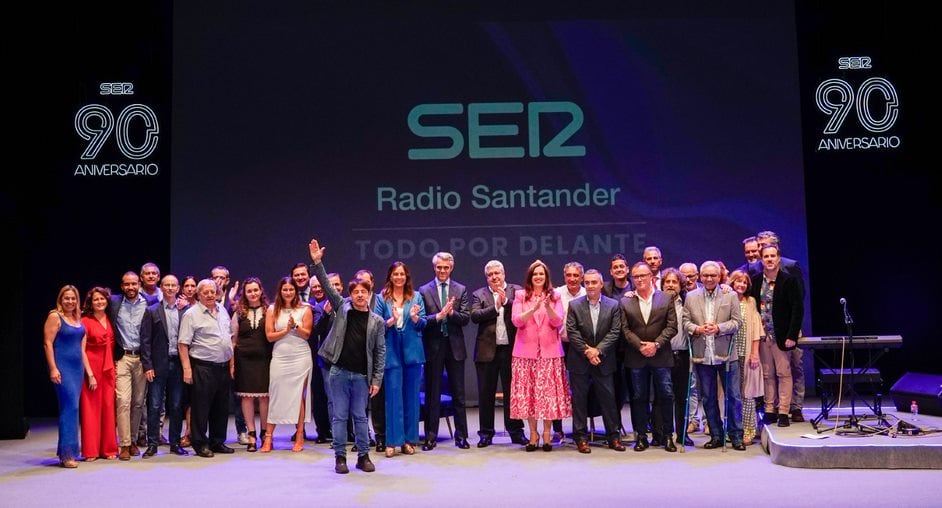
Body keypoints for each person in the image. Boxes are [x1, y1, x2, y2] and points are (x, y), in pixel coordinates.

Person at [310, 238, 384, 474]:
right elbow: (326, 285)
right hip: (339, 373)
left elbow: (380, 351)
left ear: (370, 294)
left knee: (360, 418)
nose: (360, 295)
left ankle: (363, 456)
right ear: (350, 294)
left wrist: (376, 380)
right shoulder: (342, 307)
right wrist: (317, 263)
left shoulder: (377, 321)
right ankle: (340, 457)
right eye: (356, 292)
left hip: (363, 376)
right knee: (340, 417)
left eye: (364, 291)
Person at [510, 259, 572, 452]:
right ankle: (533, 434)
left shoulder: (555, 296)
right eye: (535, 274)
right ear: (530, 277)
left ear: (546, 277)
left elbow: (558, 322)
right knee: (529, 396)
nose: (538, 277)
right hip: (525, 354)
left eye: (541, 274)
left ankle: (546, 433)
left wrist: (548, 307)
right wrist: (534, 308)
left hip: (549, 352)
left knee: (547, 396)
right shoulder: (521, 295)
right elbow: (516, 321)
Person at [683, 261, 745, 450]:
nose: (709, 279)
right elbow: (685, 322)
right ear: (701, 277)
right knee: (708, 398)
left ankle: (736, 436)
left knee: (733, 396)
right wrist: (697, 329)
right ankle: (717, 435)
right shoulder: (691, 297)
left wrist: (719, 328)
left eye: (713, 275)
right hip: (703, 355)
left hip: (726, 355)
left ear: (719, 277)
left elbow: (737, 322)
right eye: (706, 275)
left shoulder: (730, 295)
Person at [621, 262, 678, 452]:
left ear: (651, 277)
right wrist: (641, 346)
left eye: (643, 276)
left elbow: (672, 326)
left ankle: (668, 436)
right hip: (636, 356)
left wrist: (656, 344)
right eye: (636, 277)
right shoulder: (625, 301)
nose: (639, 280)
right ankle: (641, 437)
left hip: (661, 354)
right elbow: (625, 329)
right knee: (638, 397)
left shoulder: (665, 298)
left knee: (666, 395)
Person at [470, 260, 527, 447]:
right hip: (487, 352)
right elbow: (475, 316)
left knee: (513, 393)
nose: (494, 277)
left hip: (511, 350)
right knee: (486, 394)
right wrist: (495, 306)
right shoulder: (479, 294)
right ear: (486, 277)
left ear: (504, 274)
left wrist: (506, 302)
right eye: (490, 274)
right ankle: (486, 433)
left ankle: (516, 432)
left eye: (497, 273)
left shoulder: (516, 291)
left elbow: (522, 312)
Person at [565, 269, 623, 453]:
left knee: (608, 400)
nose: (590, 286)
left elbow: (615, 332)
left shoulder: (613, 305)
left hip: (604, 361)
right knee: (579, 401)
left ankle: (613, 437)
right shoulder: (574, 305)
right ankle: (580, 438)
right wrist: (587, 351)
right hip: (580, 361)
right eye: (587, 282)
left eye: (594, 282)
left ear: (600, 284)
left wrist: (597, 351)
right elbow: (572, 332)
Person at [418, 252, 471, 450]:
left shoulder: (460, 289)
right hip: (433, 347)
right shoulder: (424, 290)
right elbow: (423, 320)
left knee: (459, 393)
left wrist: (452, 313)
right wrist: (439, 316)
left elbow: (466, 318)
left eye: (446, 267)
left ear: (451, 267)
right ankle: (430, 436)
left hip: (455, 347)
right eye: (439, 267)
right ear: (434, 268)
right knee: (433, 392)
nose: (442, 270)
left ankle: (462, 436)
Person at [374, 261, 426, 458]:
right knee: (393, 397)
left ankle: (409, 440)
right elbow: (377, 325)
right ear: (390, 277)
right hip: (391, 351)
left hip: (412, 351)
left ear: (406, 277)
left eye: (402, 274)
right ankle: (392, 441)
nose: (399, 277)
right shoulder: (382, 298)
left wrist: (414, 318)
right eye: (395, 274)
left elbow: (422, 323)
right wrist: (391, 321)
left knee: (412, 397)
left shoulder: (416, 296)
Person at [178, 279, 235, 458]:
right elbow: (182, 344)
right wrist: (187, 369)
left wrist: (231, 363)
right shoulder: (191, 314)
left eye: (212, 291)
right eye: (206, 292)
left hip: (223, 366)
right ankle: (200, 443)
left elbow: (229, 337)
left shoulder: (222, 309)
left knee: (221, 406)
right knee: (201, 407)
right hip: (203, 367)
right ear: (198, 294)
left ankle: (217, 441)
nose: (210, 295)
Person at [750, 244, 804, 427]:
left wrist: (792, 335)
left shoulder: (789, 280)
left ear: (779, 258)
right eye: (766, 256)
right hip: (763, 335)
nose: (770, 259)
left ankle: (783, 411)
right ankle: (770, 410)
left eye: (773, 256)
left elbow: (797, 309)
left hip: (781, 336)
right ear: (761, 259)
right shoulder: (756, 281)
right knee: (767, 374)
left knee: (784, 373)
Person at [260, 277, 314, 453]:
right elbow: (269, 336)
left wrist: (295, 326)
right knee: (275, 395)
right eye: (285, 290)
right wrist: (285, 330)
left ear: (295, 291)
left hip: (301, 357)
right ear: (280, 291)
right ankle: (268, 437)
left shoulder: (305, 309)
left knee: (299, 397)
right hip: (280, 357)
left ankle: (299, 436)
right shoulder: (271, 309)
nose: (288, 292)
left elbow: (306, 334)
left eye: (291, 289)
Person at [140, 275, 189, 457]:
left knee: (176, 406)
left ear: (178, 288)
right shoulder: (152, 311)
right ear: (162, 287)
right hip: (158, 364)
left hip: (178, 364)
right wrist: (147, 365)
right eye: (166, 285)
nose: (170, 288)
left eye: (173, 285)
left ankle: (175, 443)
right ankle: (152, 443)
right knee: (154, 405)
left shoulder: (185, 311)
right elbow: (145, 340)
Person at [43, 285, 87, 468]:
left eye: (73, 298)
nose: (70, 301)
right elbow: (47, 343)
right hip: (63, 368)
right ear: (61, 299)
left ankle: (70, 451)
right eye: (66, 298)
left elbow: (81, 346)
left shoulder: (77, 317)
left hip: (77, 369)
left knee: (73, 409)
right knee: (70, 408)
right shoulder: (55, 316)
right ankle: (66, 455)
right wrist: (53, 368)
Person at [109, 271, 148, 460]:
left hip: (142, 359)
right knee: (123, 401)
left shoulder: (149, 303)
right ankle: (124, 444)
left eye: (134, 284)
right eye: (127, 284)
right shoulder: (114, 303)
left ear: (139, 284)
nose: (130, 287)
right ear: (122, 286)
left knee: (138, 402)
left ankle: (132, 440)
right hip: (122, 358)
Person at [231, 278, 272, 452]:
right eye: (249, 291)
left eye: (256, 290)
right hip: (243, 360)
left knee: (264, 397)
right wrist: (232, 363)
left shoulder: (269, 310)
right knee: (247, 397)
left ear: (261, 291)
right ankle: (252, 434)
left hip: (265, 359)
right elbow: (233, 340)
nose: (253, 293)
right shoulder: (239, 312)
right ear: (245, 294)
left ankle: (264, 433)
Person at [654, 269, 693, 446]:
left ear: (680, 285)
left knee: (681, 396)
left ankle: (682, 434)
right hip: (662, 355)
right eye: (667, 282)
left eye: (674, 282)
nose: (670, 285)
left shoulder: (688, 302)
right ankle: (660, 434)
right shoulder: (656, 303)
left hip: (682, 355)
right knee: (662, 396)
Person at [79, 287, 118, 461]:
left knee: (109, 408)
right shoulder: (85, 321)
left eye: (102, 299)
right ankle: (91, 451)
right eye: (96, 299)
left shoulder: (111, 318)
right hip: (92, 368)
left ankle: (109, 449)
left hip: (109, 369)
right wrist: (90, 374)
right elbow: (82, 350)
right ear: (91, 302)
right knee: (91, 410)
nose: (100, 302)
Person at [552, 261, 585, 443]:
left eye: (576, 275)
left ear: (581, 276)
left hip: (581, 347)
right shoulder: (556, 294)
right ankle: (558, 430)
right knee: (557, 388)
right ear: (564, 276)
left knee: (580, 389)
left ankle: (580, 429)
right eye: (569, 275)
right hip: (560, 345)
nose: (572, 279)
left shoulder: (589, 293)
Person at [729, 270, 762, 443]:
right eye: (738, 282)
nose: (741, 285)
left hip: (747, 353)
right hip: (730, 354)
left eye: (744, 282)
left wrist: (755, 353)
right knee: (731, 393)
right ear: (732, 283)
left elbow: (756, 329)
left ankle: (749, 429)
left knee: (747, 393)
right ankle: (734, 428)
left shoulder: (751, 302)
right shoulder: (726, 300)